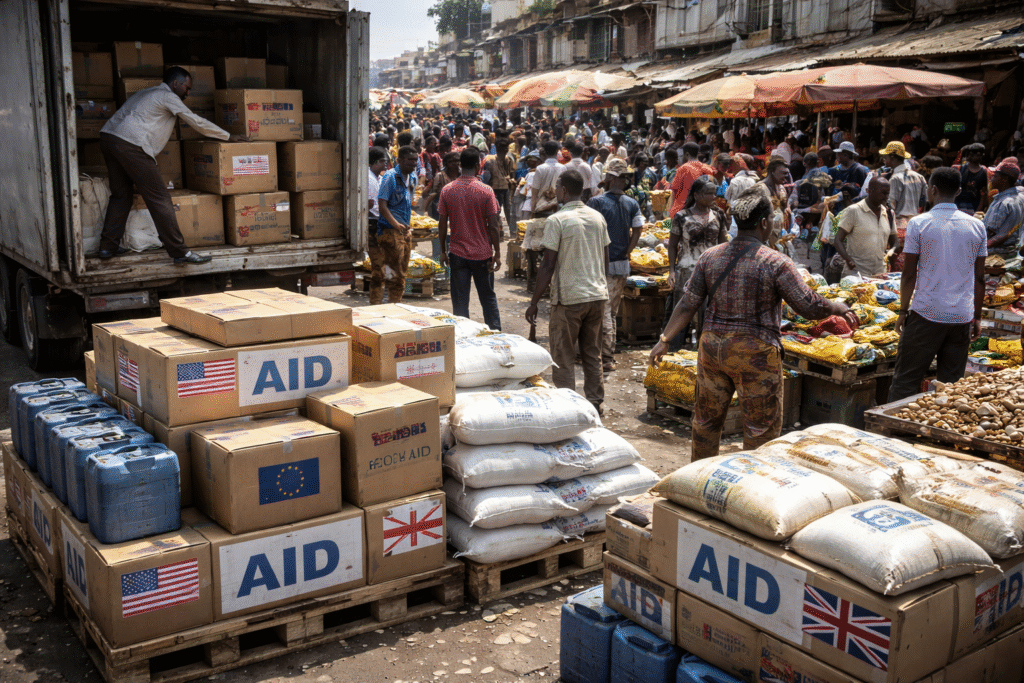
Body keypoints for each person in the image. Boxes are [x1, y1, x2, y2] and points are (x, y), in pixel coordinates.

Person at [650, 184, 856, 460]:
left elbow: (688, 303)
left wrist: (664, 341)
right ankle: (753, 487)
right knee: (761, 430)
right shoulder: (775, 262)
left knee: (706, 423)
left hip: (712, 349)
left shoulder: (709, 258)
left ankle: (697, 479)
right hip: (755, 352)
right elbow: (808, 305)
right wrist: (837, 307)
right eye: (772, 218)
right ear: (763, 222)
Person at [98, 66, 246, 264]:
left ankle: (108, 247)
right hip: (131, 145)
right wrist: (228, 136)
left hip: (109, 138)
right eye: (187, 87)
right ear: (176, 84)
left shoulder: (148, 92)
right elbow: (196, 121)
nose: (189, 92)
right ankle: (180, 252)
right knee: (160, 199)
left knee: (121, 194)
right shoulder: (167, 96)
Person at [888, 168, 987, 402]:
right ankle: (942, 435)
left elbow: (909, 274)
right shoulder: (976, 226)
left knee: (906, 380)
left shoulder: (919, 223)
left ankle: (892, 432)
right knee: (951, 386)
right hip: (961, 317)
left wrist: (903, 311)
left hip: (926, 314)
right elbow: (980, 278)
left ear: (932, 190)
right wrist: (977, 316)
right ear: (959, 192)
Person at [525, 170, 610, 415]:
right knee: (592, 353)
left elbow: (548, 265)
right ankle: (595, 403)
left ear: (563, 190)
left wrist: (534, 302)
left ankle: (568, 407)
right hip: (596, 295)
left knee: (563, 356)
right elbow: (604, 259)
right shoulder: (597, 217)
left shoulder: (557, 220)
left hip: (569, 299)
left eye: (558, 188)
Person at [438, 147, 503, 332]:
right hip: (482, 254)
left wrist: (443, 251)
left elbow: (442, 223)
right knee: (488, 298)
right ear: (477, 166)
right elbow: (494, 225)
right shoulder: (486, 191)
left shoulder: (448, 190)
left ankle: (462, 336)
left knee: (460, 302)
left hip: (457, 253)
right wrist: (497, 253)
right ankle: (496, 334)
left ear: (460, 166)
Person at [587, 158, 643, 372]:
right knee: (613, 310)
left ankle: (606, 357)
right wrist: (628, 252)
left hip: (602, 264)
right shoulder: (632, 203)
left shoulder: (597, 202)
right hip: (622, 264)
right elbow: (638, 230)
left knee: (605, 312)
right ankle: (607, 353)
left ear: (610, 178)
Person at [668, 176, 729, 347]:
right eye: (708, 193)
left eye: (714, 193)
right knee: (682, 313)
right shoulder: (681, 216)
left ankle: (703, 352)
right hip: (687, 270)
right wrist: (671, 271)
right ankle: (674, 350)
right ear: (696, 195)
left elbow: (723, 243)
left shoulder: (718, 215)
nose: (713, 197)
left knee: (708, 313)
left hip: (712, 271)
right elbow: (672, 245)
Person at [373, 145, 417, 304]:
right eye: (410, 161)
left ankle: (394, 305)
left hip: (404, 232)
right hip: (390, 232)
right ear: (399, 161)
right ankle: (380, 307)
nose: (413, 164)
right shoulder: (390, 177)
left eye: (415, 161)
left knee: (401, 274)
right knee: (388, 274)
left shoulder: (413, 178)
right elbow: (382, 205)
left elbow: (408, 203)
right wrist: (396, 224)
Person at [832, 177, 896, 277]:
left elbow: (894, 241)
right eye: (883, 193)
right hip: (856, 274)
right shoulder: (853, 211)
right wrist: (848, 259)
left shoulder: (888, 213)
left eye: (888, 193)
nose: (886, 197)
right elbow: (837, 240)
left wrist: (892, 250)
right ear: (869, 191)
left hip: (879, 275)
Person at [882, 141, 927, 272]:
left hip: (899, 225)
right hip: (915, 224)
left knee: (896, 265)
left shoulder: (895, 178)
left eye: (886, 157)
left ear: (892, 158)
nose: (884, 160)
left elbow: (890, 206)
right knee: (911, 263)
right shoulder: (919, 177)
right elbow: (924, 202)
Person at [986, 161, 1024, 258]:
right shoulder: (1020, 196)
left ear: (1005, 179)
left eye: (995, 176)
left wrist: (978, 248)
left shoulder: (1003, 203)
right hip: (1012, 250)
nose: (991, 179)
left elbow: (993, 234)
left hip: (997, 253)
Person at [482, 133, 517, 236]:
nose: (505, 150)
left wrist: (511, 181)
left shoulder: (508, 160)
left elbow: (510, 174)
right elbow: (486, 178)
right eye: (502, 148)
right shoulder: (490, 161)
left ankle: (509, 230)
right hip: (495, 188)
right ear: (497, 148)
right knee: (496, 210)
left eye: (506, 148)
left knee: (508, 209)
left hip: (505, 188)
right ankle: (497, 230)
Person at [669, 142, 716, 218]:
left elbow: (674, 190)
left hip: (683, 211)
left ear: (687, 154)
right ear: (698, 153)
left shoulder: (683, 169)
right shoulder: (708, 169)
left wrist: (670, 212)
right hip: (704, 211)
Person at [528, 140, 566, 218]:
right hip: (557, 210)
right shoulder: (563, 168)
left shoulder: (540, 168)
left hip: (541, 208)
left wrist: (532, 211)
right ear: (557, 151)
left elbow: (534, 193)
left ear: (545, 152)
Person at [956, 143, 989, 214]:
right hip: (958, 206)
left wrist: (978, 211)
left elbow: (984, 193)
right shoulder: (959, 169)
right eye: (972, 154)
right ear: (968, 155)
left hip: (975, 206)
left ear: (982, 156)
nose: (975, 157)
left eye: (978, 154)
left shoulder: (985, 172)